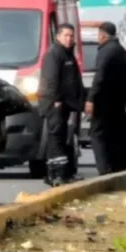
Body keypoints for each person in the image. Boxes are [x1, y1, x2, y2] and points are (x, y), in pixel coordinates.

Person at [39, 24, 84, 185]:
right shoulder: (54, 53)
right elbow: (51, 79)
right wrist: (56, 100)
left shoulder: (67, 54)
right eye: (66, 35)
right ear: (58, 36)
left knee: (63, 138)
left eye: (71, 35)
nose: (69, 38)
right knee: (56, 138)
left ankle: (64, 173)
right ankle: (56, 175)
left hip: (66, 104)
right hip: (55, 104)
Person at [85, 22, 126, 175]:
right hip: (119, 100)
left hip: (104, 100)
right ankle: (118, 167)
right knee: (115, 134)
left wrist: (91, 98)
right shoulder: (121, 51)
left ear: (103, 35)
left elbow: (100, 77)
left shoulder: (105, 51)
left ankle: (104, 169)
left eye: (98, 35)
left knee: (97, 133)